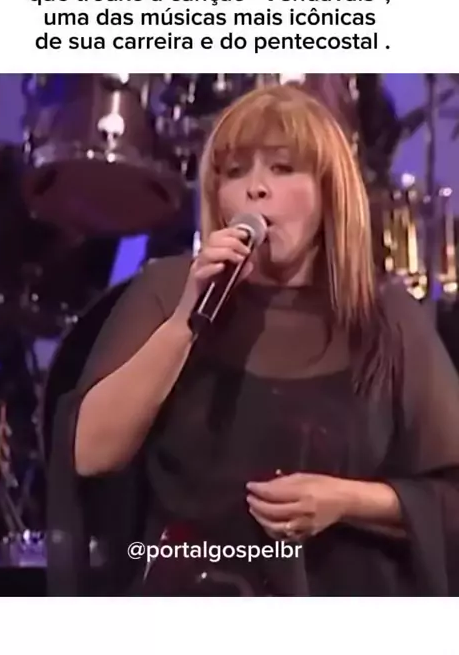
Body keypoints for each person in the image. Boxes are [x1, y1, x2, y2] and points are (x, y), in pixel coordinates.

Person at [45, 83, 459, 596]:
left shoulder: (386, 316)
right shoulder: (166, 290)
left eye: (282, 168)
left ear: (329, 192)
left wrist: (348, 501)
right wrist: (185, 320)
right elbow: (89, 453)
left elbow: (449, 496)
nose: (255, 189)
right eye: (235, 171)